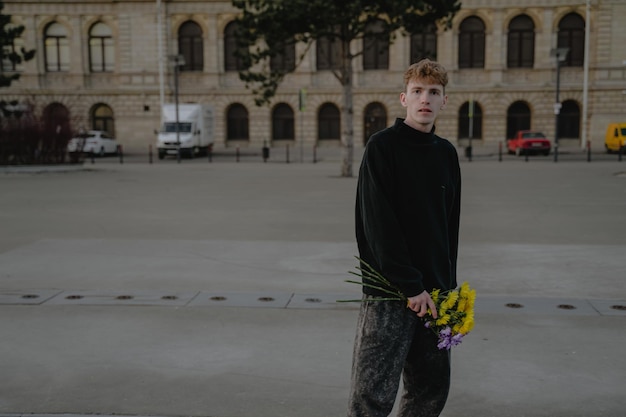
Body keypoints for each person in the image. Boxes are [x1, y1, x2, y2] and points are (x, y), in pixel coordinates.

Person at [347, 59, 461, 417]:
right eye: (417, 91)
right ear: (403, 98)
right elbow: (378, 225)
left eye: (433, 92)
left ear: (444, 101)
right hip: (390, 293)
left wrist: (449, 290)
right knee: (372, 395)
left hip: (437, 295)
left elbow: (448, 227)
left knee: (429, 392)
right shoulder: (383, 147)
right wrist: (411, 286)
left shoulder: (446, 154)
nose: (425, 98)